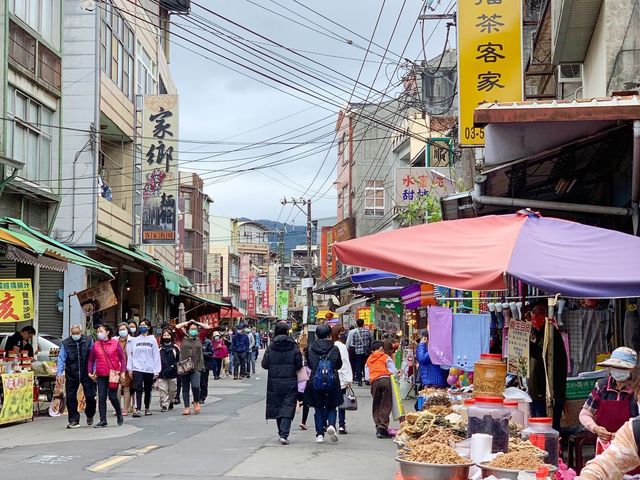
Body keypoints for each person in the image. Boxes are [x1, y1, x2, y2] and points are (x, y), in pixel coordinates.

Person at [579, 347, 639, 455]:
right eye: (615, 367)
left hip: (632, 447)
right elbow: (585, 414)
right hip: (606, 446)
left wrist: (626, 434)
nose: (618, 370)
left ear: (632, 370)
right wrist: (596, 428)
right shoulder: (601, 386)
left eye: (623, 368)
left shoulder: (637, 389)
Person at [528, 301, 568, 430]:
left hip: (550, 390)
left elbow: (543, 356)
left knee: (548, 427)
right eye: (534, 312)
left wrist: (526, 345)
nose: (535, 316)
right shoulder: (536, 333)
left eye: (540, 312)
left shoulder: (551, 333)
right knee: (538, 424)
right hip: (536, 389)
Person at [261, 321, 303, 445]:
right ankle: (284, 434)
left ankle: (281, 433)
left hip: (274, 381)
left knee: (278, 405)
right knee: (288, 406)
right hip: (290, 380)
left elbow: (265, 364)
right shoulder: (293, 345)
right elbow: (299, 364)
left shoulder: (271, 345)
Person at [305, 324, 343, 444]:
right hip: (332, 380)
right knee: (332, 405)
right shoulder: (334, 348)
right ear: (329, 335)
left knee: (318, 407)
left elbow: (310, 365)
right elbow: (339, 365)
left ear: (316, 334)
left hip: (315, 380)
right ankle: (331, 425)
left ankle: (319, 434)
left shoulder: (310, 348)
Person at [56, 323, 97, 429]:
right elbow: (61, 358)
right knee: (70, 397)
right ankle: (73, 420)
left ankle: (90, 414)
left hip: (86, 372)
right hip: (71, 373)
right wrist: (59, 373)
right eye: (73, 333)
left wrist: (94, 370)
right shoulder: (66, 343)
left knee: (90, 396)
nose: (75, 335)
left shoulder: (88, 341)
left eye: (77, 333)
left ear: (81, 332)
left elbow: (94, 357)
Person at [87, 324, 126, 427]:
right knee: (101, 397)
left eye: (101, 331)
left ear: (107, 332)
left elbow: (122, 358)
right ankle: (103, 420)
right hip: (101, 374)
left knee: (113, 397)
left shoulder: (115, 343)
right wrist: (90, 371)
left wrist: (123, 371)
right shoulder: (96, 345)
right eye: (98, 331)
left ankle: (119, 413)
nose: (99, 333)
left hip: (113, 374)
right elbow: (91, 359)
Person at [127, 319, 161, 417]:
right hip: (138, 368)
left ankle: (147, 408)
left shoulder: (152, 340)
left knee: (147, 389)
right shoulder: (135, 340)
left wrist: (156, 370)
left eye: (145, 325)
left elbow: (156, 356)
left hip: (149, 369)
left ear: (149, 327)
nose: (143, 327)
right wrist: (130, 368)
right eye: (141, 325)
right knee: (138, 388)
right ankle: (137, 409)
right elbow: (131, 355)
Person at [366, 340, 397, 439]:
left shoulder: (369, 359)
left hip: (374, 382)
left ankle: (378, 426)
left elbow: (367, 376)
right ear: (381, 349)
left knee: (376, 404)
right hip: (385, 380)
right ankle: (383, 427)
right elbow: (393, 370)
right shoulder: (385, 357)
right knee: (386, 403)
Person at [175, 320, 205, 415]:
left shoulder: (200, 338)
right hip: (185, 367)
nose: (194, 330)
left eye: (195, 329)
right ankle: (186, 407)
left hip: (196, 366)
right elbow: (177, 327)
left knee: (196, 386)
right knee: (185, 388)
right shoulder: (183, 338)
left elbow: (208, 328)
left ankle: (196, 402)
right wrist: (187, 322)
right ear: (187, 330)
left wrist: (196, 322)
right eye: (192, 329)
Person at [332, 325, 353, 434]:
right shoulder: (342, 346)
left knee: (331, 402)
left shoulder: (330, 344)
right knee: (341, 402)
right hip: (341, 379)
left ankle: (330, 423)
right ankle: (341, 425)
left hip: (330, 378)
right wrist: (349, 379)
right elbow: (345, 362)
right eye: (342, 332)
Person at [158, 329, 180, 412]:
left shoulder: (175, 347)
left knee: (172, 389)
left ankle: (171, 401)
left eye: (168, 335)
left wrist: (173, 367)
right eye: (165, 335)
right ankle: (164, 405)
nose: (166, 337)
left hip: (173, 372)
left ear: (171, 336)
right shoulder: (159, 348)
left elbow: (178, 360)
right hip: (162, 372)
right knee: (163, 389)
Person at [346, 319, 372, 386]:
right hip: (366, 351)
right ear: (363, 324)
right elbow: (371, 340)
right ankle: (367, 380)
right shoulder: (367, 331)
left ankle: (359, 380)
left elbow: (351, 343)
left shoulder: (354, 332)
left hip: (357, 351)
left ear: (357, 324)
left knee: (358, 366)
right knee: (366, 365)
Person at [116, 322, 133, 416]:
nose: (122, 331)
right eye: (120, 329)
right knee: (117, 388)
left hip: (127, 367)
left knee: (126, 388)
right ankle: (118, 408)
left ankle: (126, 409)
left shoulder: (132, 340)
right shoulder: (115, 340)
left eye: (124, 329)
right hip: (116, 368)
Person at [200, 332, 214, 403]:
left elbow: (211, 353)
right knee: (196, 383)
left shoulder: (208, 342)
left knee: (203, 382)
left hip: (205, 365)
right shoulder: (195, 341)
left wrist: (202, 353)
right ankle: (197, 397)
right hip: (196, 365)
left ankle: (203, 396)